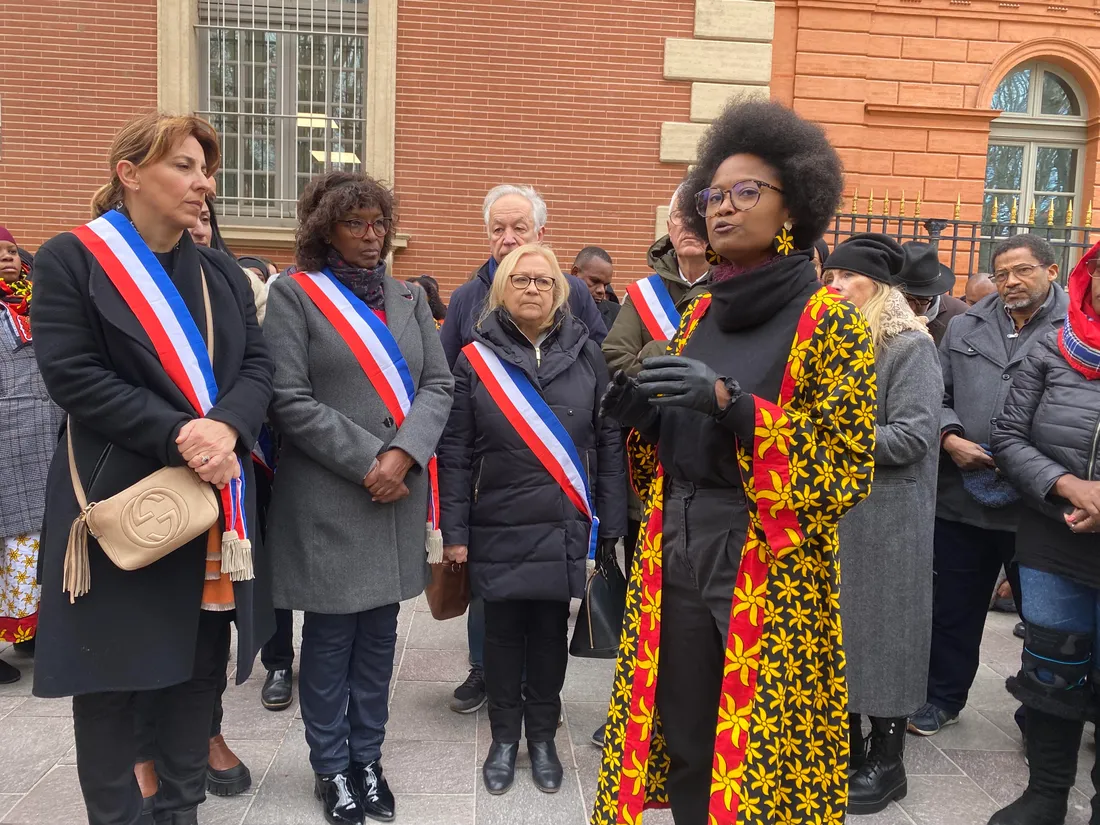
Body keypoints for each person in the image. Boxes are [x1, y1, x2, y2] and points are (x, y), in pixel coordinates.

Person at [594, 99, 876, 825]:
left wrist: (732, 402)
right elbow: (686, 436)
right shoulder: (698, 313)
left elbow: (845, 465)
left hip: (763, 555)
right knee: (685, 723)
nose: (722, 207)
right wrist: (646, 420)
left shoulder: (829, 321)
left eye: (746, 191)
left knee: (754, 746)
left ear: (794, 207)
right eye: (713, 194)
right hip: (677, 536)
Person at [29, 112, 274, 825]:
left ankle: (180, 807)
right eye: (186, 166)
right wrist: (182, 433)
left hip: (209, 507)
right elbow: (72, 375)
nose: (204, 183)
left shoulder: (220, 271)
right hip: (119, 506)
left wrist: (226, 425)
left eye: (207, 169)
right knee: (109, 680)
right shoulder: (71, 258)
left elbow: (256, 365)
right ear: (128, 173)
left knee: (196, 672)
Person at [264, 170, 453, 825]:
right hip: (330, 498)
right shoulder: (295, 297)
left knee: (378, 640)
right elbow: (288, 399)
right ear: (325, 229)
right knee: (329, 641)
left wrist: (403, 454)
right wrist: (369, 459)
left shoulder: (406, 296)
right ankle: (330, 767)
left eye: (379, 223)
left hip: (395, 493)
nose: (372, 236)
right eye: (356, 224)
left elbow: (439, 384)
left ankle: (367, 759)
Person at [438, 243, 626, 794]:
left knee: (547, 637)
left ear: (559, 291)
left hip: (564, 521)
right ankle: (503, 740)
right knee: (500, 638)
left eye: (544, 282)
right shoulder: (474, 359)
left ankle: (541, 739)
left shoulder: (589, 354)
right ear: (502, 290)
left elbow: (609, 442)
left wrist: (609, 526)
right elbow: (455, 450)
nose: (533, 290)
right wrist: (454, 533)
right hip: (496, 518)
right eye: (521, 281)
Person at [439, 183, 607, 716]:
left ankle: (535, 708)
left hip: (556, 487)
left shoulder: (574, 291)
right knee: (491, 596)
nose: (507, 238)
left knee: (542, 616)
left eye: (519, 229)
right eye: (497, 229)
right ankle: (483, 671)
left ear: (541, 234)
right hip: (498, 488)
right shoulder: (468, 297)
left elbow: (592, 367)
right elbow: (449, 384)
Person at [910, 233, 1069, 736]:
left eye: (1022, 270)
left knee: (1046, 622)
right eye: (1001, 274)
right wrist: (950, 436)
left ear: (1052, 271)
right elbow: (935, 393)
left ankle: (1041, 717)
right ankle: (941, 699)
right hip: (963, 497)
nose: (1010, 282)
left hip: (1040, 505)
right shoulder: (964, 326)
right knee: (954, 606)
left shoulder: (1081, 332)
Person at [822, 234, 943, 814]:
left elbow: (914, 435)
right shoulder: (833, 345)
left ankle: (888, 761)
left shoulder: (908, 347)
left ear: (881, 286)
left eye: (848, 277)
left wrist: (828, 442)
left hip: (891, 519)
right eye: (831, 276)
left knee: (887, 638)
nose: (836, 286)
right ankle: (845, 748)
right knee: (844, 637)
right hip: (839, 514)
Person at [589, 184, 711, 749]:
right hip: (648, 470)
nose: (686, 225)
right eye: (677, 217)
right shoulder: (642, 293)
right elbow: (614, 358)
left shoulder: (733, 286)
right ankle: (639, 712)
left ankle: (694, 713)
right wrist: (668, 358)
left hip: (713, 467)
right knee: (649, 606)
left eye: (696, 215)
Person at [987, 241, 1100, 825]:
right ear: (1089, 279)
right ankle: (1047, 793)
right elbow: (1007, 436)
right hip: (1056, 536)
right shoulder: (1054, 349)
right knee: (1052, 665)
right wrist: (1065, 485)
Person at [0, 226, 62, 683]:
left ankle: (32, 631)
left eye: (9, 250)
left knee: (35, 541)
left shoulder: (35, 300)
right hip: (6, 440)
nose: (7, 259)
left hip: (43, 439)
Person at [897, 242, 969, 347]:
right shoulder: (880, 310)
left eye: (920, 301)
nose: (911, 308)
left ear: (933, 294)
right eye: (905, 298)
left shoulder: (960, 316)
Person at [572, 245, 619, 330]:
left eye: (605, 285)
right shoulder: (551, 308)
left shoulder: (618, 315)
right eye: (594, 281)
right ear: (575, 273)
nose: (601, 290)